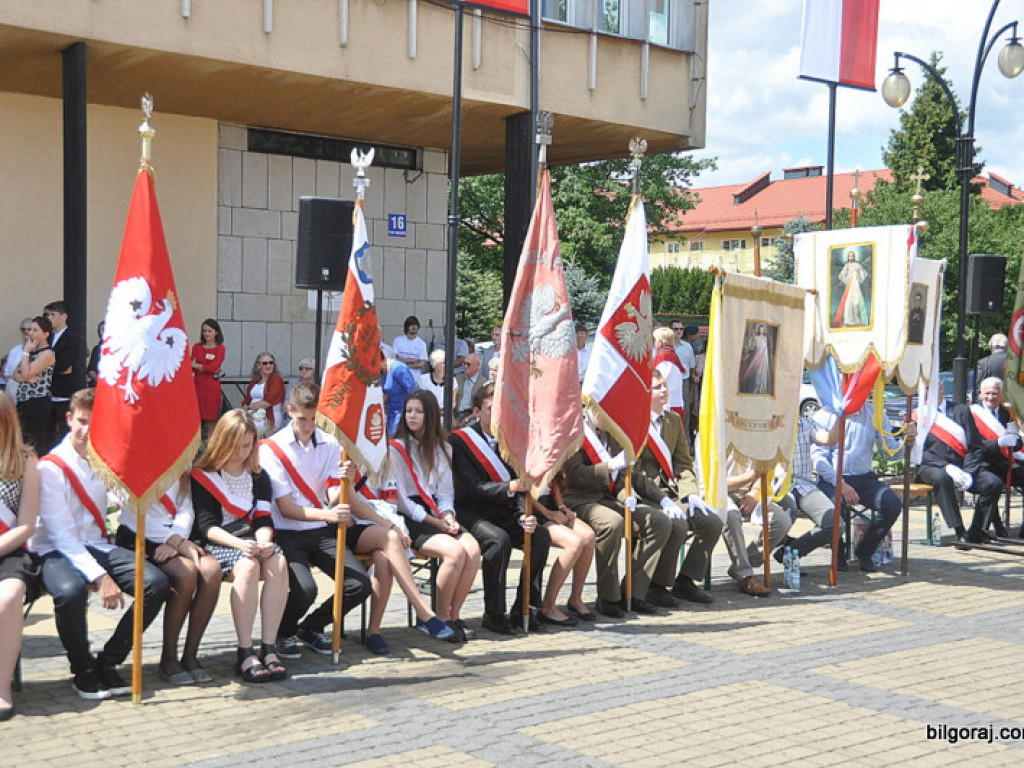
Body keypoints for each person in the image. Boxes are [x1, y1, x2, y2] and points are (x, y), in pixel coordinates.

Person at [31, 388, 170, 699]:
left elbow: (123, 502)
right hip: (53, 550)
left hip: (94, 545)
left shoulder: (104, 460)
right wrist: (102, 578)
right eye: (81, 421)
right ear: (69, 419)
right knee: (71, 592)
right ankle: (83, 669)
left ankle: (109, 661)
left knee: (156, 583)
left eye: (95, 424)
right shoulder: (49, 468)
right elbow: (63, 536)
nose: (86, 430)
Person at [258, 383, 373, 659]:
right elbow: (286, 508)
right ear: (289, 411)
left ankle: (311, 627)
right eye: (301, 419)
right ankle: (284, 631)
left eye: (313, 419)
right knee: (305, 589)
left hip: (320, 529)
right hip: (286, 532)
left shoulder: (332, 443)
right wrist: (328, 514)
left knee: (359, 584)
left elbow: (332, 492)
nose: (308, 426)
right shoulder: (271, 449)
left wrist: (346, 481)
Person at [190, 409, 289, 683]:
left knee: (279, 563)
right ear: (222, 440)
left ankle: (269, 647)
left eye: (247, 445)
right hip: (221, 543)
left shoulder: (259, 476)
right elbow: (206, 526)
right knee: (247, 567)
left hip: (253, 540)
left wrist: (265, 541)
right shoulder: (204, 475)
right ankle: (245, 651)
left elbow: (263, 517)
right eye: (236, 445)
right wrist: (241, 545)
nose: (241, 452)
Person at [450, 384, 554, 634]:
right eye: (490, 409)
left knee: (539, 536)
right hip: (472, 511)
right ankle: (494, 614)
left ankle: (525, 608)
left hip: (504, 510)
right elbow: (471, 488)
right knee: (499, 541)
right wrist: (509, 486)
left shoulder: (510, 440)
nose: (497, 415)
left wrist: (523, 516)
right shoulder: (460, 441)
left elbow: (522, 486)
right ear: (476, 411)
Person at [389, 390, 481, 641]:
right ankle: (435, 617)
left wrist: (448, 516)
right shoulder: (396, 449)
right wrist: (433, 521)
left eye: (418, 411)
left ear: (430, 416)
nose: (412, 416)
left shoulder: (443, 448)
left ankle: (453, 615)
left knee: (472, 550)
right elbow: (402, 501)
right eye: (409, 411)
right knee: (455, 552)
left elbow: (445, 493)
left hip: (437, 512)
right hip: (413, 518)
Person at [115, 475, 222, 684]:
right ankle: (169, 657)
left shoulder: (181, 460)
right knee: (186, 572)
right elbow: (131, 513)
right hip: (141, 534)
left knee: (211, 570)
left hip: (178, 536)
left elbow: (186, 507)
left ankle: (190, 654)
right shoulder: (134, 465)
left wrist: (177, 539)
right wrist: (172, 540)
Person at [562, 416, 671, 618]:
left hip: (611, 497)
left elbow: (621, 477)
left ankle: (634, 591)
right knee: (612, 523)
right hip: (580, 498)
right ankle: (608, 597)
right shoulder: (575, 433)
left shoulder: (614, 434)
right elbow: (576, 474)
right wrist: (610, 466)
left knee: (658, 521)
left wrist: (628, 495)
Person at [632, 371, 722, 606]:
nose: (664, 391)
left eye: (664, 386)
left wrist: (690, 492)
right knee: (677, 523)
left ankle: (686, 580)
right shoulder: (636, 422)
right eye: (657, 387)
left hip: (673, 491)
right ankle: (658, 586)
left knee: (712, 522)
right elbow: (635, 473)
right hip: (646, 494)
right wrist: (663, 500)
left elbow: (683, 462)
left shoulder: (673, 421)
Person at [812, 400, 916, 572]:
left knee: (892, 504)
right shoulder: (824, 415)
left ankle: (865, 550)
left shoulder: (874, 413)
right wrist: (841, 484)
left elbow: (892, 452)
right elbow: (819, 460)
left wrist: (907, 439)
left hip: (864, 477)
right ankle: (838, 552)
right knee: (835, 506)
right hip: (832, 478)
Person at [914, 383, 997, 545]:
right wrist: (946, 466)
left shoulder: (961, 410)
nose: (926, 393)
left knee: (993, 483)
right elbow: (918, 451)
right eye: (923, 390)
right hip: (931, 466)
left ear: (941, 389)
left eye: (930, 388)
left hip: (963, 465)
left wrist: (968, 472)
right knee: (942, 478)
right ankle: (959, 531)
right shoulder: (917, 415)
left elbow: (975, 445)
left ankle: (976, 530)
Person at [0, 392, 40, 720]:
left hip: (10, 551)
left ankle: (2, 685)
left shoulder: (25, 461)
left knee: (8, 597)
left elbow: (26, 525)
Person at [772, 414, 842, 565]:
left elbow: (830, 439)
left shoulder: (805, 423)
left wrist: (841, 415)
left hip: (804, 485)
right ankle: (748, 564)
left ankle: (791, 551)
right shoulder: (767, 422)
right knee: (783, 519)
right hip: (777, 487)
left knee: (836, 524)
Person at [720, 456, 792, 594]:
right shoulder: (711, 437)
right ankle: (745, 575)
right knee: (732, 516)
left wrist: (754, 493)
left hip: (751, 492)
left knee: (782, 520)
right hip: (720, 493)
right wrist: (750, 476)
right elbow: (714, 483)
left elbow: (766, 467)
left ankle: (742, 564)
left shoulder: (757, 436)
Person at [531, 471, 596, 622]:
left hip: (550, 504)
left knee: (588, 536)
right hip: (532, 508)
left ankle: (576, 598)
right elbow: (523, 492)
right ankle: (548, 606)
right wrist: (548, 513)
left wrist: (561, 507)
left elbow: (554, 483)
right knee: (574, 543)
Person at [971, 377, 1022, 540]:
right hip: (982, 464)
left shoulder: (1007, 413)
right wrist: (999, 442)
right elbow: (973, 445)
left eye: (995, 393)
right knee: (993, 484)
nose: (991, 397)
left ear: (1001, 395)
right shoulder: (971, 413)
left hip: (1004, 463)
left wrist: (1015, 439)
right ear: (981, 394)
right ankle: (978, 530)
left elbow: (1015, 441)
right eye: (987, 393)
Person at [43, 301, 87, 447]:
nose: (49, 318)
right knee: (47, 433)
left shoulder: (73, 339)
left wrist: (43, 364)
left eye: (52, 314)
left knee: (65, 432)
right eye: (47, 314)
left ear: (64, 316)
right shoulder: (47, 338)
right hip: (48, 392)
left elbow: (63, 366)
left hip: (66, 393)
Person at [10, 316, 55, 454]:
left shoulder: (47, 353)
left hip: (38, 401)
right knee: (23, 439)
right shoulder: (31, 352)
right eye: (29, 330)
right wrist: (25, 376)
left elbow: (25, 373)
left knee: (35, 441)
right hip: (23, 401)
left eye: (35, 330)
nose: (30, 333)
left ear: (45, 334)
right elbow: (15, 374)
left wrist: (26, 354)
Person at [191, 319, 226, 441]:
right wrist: (206, 368)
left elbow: (214, 367)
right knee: (196, 420)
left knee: (211, 420)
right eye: (204, 331)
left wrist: (200, 366)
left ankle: (210, 450)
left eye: (209, 331)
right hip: (198, 387)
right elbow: (191, 366)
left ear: (216, 332)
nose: (206, 334)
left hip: (212, 388)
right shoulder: (197, 346)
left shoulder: (220, 348)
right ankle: (196, 449)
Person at [242, 353, 285, 436]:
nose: (268, 365)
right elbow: (246, 400)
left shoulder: (276, 379)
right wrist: (245, 407)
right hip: (253, 415)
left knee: (246, 431)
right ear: (258, 366)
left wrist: (249, 407)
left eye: (271, 363)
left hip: (269, 417)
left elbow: (267, 403)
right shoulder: (254, 381)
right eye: (265, 363)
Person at [652, 327, 685, 420]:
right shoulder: (671, 354)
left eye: (655, 340)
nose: (654, 343)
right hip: (673, 402)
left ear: (661, 342)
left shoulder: (665, 356)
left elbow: (658, 380)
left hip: (668, 405)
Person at [381, 354, 418, 436]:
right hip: (390, 410)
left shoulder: (399, 369)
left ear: (383, 361)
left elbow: (413, 391)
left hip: (402, 410)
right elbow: (385, 394)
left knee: (396, 437)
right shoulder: (379, 372)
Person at [835, 251, 869, 327]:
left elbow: (864, 274)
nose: (851, 258)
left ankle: (856, 320)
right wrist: (846, 278)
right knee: (848, 303)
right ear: (848, 257)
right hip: (849, 286)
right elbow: (841, 275)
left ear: (854, 257)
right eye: (850, 256)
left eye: (852, 256)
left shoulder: (858, 265)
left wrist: (859, 272)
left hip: (856, 285)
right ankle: (847, 320)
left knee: (856, 302)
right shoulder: (847, 266)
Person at [419, 349, 457, 417]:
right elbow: (419, 399)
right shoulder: (423, 379)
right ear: (435, 364)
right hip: (427, 414)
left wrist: (441, 412)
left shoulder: (452, 380)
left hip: (444, 415)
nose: (445, 365)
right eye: (443, 362)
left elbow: (453, 403)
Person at [4, 318, 33, 400]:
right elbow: (7, 373)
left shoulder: (40, 351)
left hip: (31, 393)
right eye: (24, 329)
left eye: (29, 329)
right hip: (13, 390)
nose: (26, 332)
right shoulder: (15, 350)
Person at [454, 353, 486, 426]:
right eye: (464, 363)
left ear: (477, 366)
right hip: (456, 414)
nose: (465, 366)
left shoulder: (483, 383)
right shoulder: (457, 379)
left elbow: (481, 408)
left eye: (468, 364)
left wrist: (466, 419)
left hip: (472, 416)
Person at [739, 323, 772, 395]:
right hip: (756, 355)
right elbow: (753, 347)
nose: (761, 330)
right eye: (760, 329)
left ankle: (761, 389)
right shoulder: (756, 338)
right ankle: (755, 388)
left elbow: (765, 348)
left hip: (763, 357)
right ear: (759, 329)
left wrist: (764, 355)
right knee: (755, 373)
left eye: (762, 329)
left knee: (762, 373)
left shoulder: (765, 338)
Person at [86, 321, 104, 386]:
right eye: (100, 330)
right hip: (98, 384)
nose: (102, 332)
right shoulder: (97, 349)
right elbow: (91, 370)